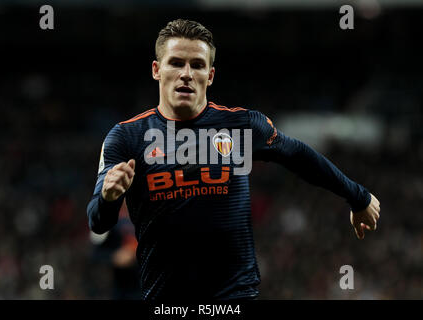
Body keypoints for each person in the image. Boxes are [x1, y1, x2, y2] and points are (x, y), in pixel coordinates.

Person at [87, 19, 380, 300]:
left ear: (210, 75)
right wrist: (109, 197)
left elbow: (299, 155)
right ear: (156, 70)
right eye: (176, 62)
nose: (186, 73)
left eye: (197, 65)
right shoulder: (126, 137)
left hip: (235, 298)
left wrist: (357, 196)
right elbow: (98, 222)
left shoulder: (241, 125)